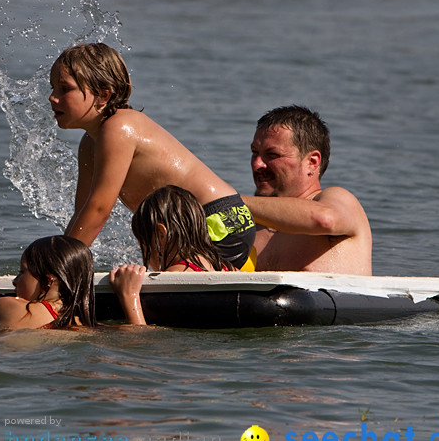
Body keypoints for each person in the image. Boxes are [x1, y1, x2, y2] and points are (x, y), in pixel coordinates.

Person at [49, 42, 255, 270]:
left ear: (103, 95)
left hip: (218, 221)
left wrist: (59, 270)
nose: (52, 97)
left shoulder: (118, 127)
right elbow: (83, 213)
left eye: (64, 89)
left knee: (174, 276)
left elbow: (99, 210)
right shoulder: (90, 143)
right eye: (52, 88)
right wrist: (55, 259)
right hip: (196, 225)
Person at [242, 105, 372, 275]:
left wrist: (231, 202)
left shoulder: (336, 200)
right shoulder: (248, 230)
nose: (257, 164)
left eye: (272, 155)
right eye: (254, 152)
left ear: (312, 161)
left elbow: (324, 219)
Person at [109, 186, 234, 325]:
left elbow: (141, 342)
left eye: (142, 242)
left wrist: (129, 295)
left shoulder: (172, 278)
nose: (142, 249)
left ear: (161, 234)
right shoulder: (226, 267)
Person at [0, 236, 96, 332]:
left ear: (49, 280)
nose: (15, 281)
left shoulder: (9, 306)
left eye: (22, 272)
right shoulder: (81, 325)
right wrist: (121, 295)